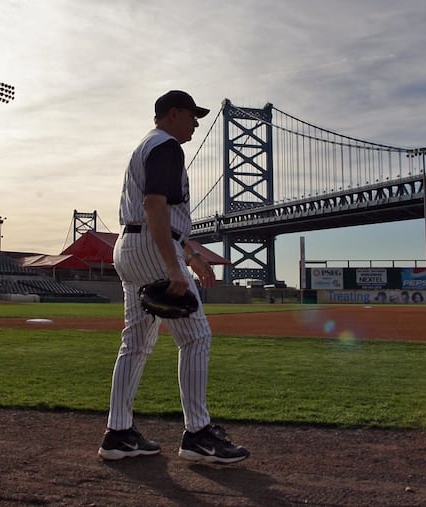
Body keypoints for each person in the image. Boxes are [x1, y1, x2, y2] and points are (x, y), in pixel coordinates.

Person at [98, 91, 250, 464]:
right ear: (173, 114)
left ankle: (119, 433)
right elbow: (155, 207)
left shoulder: (148, 145)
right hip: (152, 248)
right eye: (192, 116)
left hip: (130, 246)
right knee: (196, 337)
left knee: (135, 343)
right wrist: (172, 266)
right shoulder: (167, 147)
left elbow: (157, 214)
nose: (196, 123)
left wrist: (192, 254)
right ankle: (198, 435)